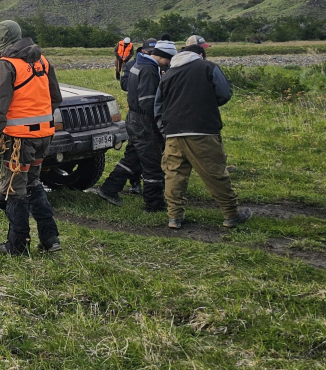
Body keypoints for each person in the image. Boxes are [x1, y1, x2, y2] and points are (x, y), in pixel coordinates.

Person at [0, 20, 63, 255]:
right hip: (43, 137)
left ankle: (17, 245)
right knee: (33, 183)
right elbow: (56, 98)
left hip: (18, 141)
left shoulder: (5, 66)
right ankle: (50, 239)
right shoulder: (42, 61)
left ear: (1, 41)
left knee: (14, 190)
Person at [155, 35, 252, 229]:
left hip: (173, 132)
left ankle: (174, 217)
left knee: (174, 175)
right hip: (202, 130)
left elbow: (158, 105)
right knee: (215, 173)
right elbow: (224, 94)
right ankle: (231, 214)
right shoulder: (208, 67)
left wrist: (165, 128)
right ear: (200, 55)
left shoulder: (168, 73)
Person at [88, 39, 175, 212]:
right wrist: (158, 122)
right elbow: (148, 102)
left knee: (133, 158)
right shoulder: (150, 70)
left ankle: (109, 189)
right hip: (145, 122)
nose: (169, 63)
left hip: (133, 119)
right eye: (169, 59)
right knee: (152, 164)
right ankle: (154, 204)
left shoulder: (138, 64)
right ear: (163, 56)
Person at [115, 38, 157, 195]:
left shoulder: (158, 65)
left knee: (139, 151)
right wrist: (141, 84)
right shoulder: (133, 65)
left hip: (149, 115)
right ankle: (135, 182)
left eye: (155, 52)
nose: (152, 55)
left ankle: (114, 187)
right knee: (138, 151)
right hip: (138, 114)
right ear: (143, 51)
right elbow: (124, 84)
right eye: (150, 52)